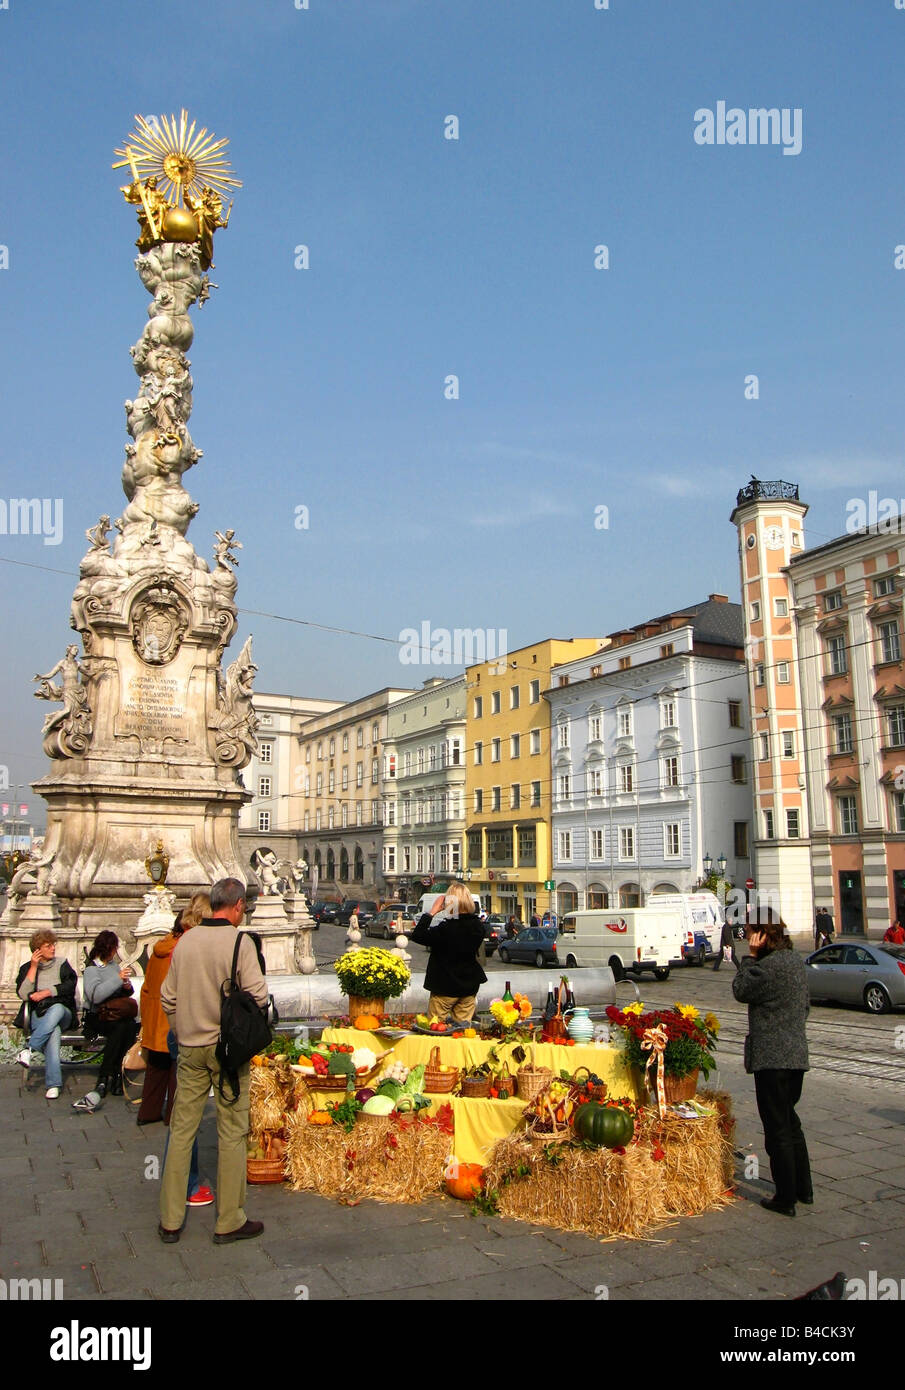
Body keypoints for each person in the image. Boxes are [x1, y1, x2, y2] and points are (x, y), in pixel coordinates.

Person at [158, 878, 268, 1245]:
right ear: (236, 906)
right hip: (227, 1051)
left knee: (181, 1131)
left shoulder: (185, 940)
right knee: (232, 1131)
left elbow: (167, 997)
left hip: (189, 1049)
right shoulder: (240, 942)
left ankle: (171, 1220)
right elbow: (260, 997)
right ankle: (229, 1219)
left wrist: (183, 1029)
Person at [732, 909, 812, 1217]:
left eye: (752, 932)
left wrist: (750, 956)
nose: (748, 938)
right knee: (791, 1123)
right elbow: (805, 1005)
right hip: (795, 1056)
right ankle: (804, 1189)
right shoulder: (795, 962)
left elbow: (740, 990)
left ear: (762, 935)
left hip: (771, 1059)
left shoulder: (765, 967)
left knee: (777, 1128)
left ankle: (785, 1198)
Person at [137, 893, 209, 1126]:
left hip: (155, 1017)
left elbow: (147, 987)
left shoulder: (162, 946)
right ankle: (173, 1116)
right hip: (175, 1019)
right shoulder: (184, 949)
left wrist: (147, 1018)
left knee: (155, 1070)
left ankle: (148, 1113)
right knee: (179, 1072)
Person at [409, 881, 487, 1022]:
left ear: (450, 903)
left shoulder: (446, 929)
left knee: (436, 1029)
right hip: (469, 986)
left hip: (444, 987)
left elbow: (418, 935)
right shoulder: (478, 927)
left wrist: (432, 912)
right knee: (463, 1030)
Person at [14, 929, 79, 1100]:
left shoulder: (62, 964)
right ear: (37, 950)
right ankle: (54, 1085)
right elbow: (23, 994)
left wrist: (47, 992)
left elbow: (70, 987)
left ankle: (29, 1049)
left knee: (56, 1009)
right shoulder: (27, 968)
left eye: (53, 945)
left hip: (63, 1012)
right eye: (48, 946)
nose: (53, 949)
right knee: (53, 1032)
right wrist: (34, 967)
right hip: (39, 1015)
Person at [82, 931, 139, 1098]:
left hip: (116, 1014)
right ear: (108, 948)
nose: (116, 951)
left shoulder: (113, 966)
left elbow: (122, 993)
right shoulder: (92, 969)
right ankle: (107, 1075)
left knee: (129, 1026)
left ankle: (115, 1074)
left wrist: (126, 986)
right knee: (120, 1029)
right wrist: (117, 979)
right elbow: (96, 996)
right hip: (98, 1016)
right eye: (114, 947)